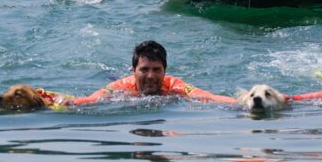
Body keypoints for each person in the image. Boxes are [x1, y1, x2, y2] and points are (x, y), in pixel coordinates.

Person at [73, 40, 234, 104]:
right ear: (134, 71)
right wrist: (64, 103)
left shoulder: (175, 86)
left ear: (165, 71)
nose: (151, 76)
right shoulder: (121, 87)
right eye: (144, 70)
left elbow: (208, 97)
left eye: (157, 70)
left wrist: (242, 104)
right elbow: (92, 99)